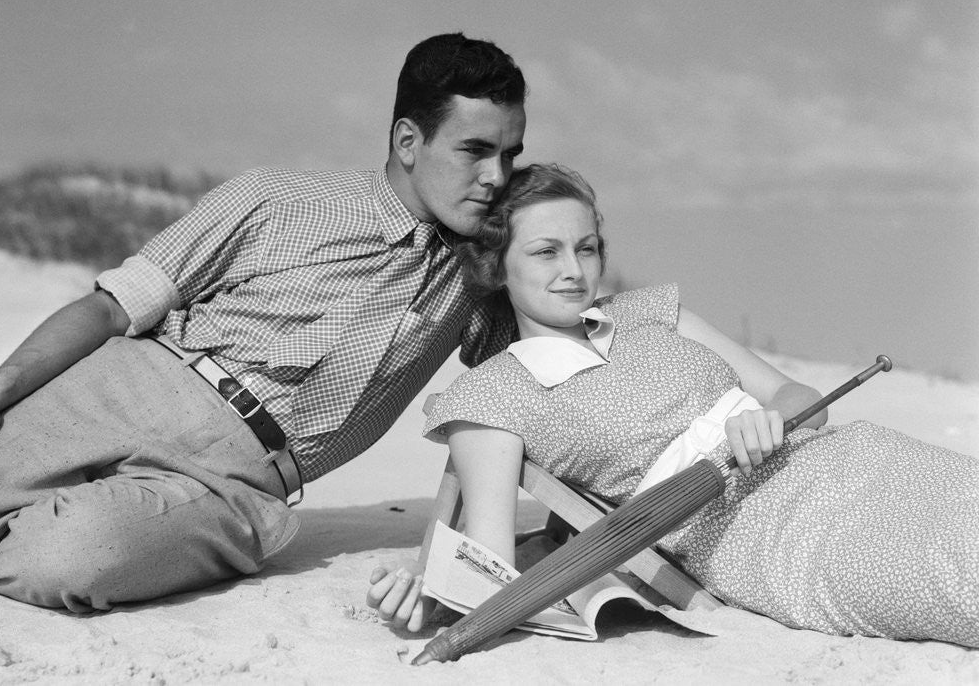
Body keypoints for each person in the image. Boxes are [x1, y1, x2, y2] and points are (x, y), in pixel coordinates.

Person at [0, 32, 528, 612]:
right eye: (475, 150)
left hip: (232, 484)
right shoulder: (274, 198)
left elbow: (544, 364)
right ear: (409, 141)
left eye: (510, 155)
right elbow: (110, 306)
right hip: (126, 389)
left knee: (73, 559)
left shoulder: (483, 274)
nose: (497, 177)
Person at [367, 163, 979, 649]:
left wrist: (772, 417)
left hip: (844, 460)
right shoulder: (493, 393)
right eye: (546, 252)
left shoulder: (652, 313)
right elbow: (490, 561)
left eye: (587, 248)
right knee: (955, 576)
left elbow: (802, 399)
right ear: (498, 264)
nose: (574, 271)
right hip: (754, 532)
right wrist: (430, 593)